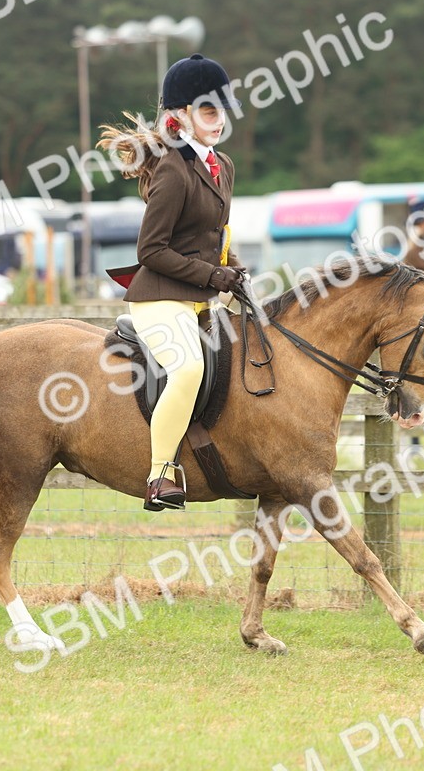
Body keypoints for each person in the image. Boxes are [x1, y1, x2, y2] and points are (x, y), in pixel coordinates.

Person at [98, 54, 246, 512]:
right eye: (207, 110)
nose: (218, 119)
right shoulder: (172, 169)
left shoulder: (223, 165)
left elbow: (211, 237)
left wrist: (233, 270)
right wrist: (212, 276)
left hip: (201, 297)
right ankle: (161, 473)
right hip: (161, 298)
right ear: (179, 117)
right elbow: (152, 251)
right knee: (187, 370)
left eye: (222, 109)